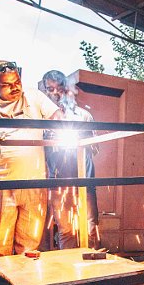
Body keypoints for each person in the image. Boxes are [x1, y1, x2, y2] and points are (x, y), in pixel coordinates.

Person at [0, 61, 62, 257]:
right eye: (7, 84)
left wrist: (59, 126)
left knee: (30, 245)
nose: (15, 88)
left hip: (34, 183)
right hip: (1, 185)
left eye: (17, 82)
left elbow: (56, 115)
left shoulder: (34, 96)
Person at [39, 70, 99, 249]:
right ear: (46, 91)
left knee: (90, 228)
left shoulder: (83, 116)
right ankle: (70, 267)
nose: (56, 93)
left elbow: (95, 149)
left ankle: (93, 267)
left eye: (59, 88)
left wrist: (83, 141)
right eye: (51, 89)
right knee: (66, 230)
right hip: (58, 184)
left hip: (84, 181)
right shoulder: (44, 119)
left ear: (66, 88)